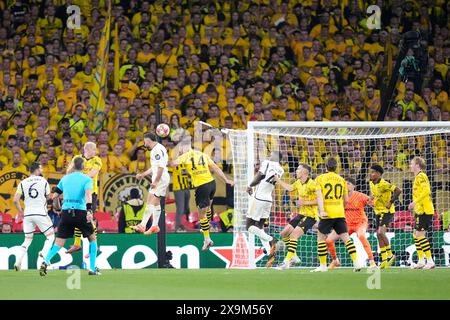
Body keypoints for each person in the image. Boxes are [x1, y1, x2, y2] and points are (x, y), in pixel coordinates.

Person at [170, 136, 234, 250]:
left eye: (180, 148)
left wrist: (165, 159)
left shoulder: (185, 156)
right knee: (207, 208)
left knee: (201, 214)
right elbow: (215, 168)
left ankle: (207, 239)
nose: (179, 150)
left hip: (201, 186)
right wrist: (226, 180)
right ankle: (207, 227)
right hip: (211, 183)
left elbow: (173, 164)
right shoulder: (203, 154)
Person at [40, 157, 99, 276]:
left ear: (73, 166)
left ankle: (46, 261)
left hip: (66, 212)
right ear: (83, 167)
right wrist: (89, 211)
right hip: (81, 212)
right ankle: (92, 268)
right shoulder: (87, 179)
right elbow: (88, 195)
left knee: (59, 242)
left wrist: (57, 208)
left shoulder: (65, 178)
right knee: (92, 238)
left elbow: (54, 196)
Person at [312, 157, 361, 272]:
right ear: (336, 167)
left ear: (326, 167)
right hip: (339, 213)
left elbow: (319, 196)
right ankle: (356, 263)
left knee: (320, 237)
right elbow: (346, 200)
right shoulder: (341, 180)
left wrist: (322, 210)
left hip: (327, 214)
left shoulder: (320, 178)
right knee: (346, 238)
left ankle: (323, 266)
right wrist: (340, 208)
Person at [274, 163, 319, 269]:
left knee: (294, 235)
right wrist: (277, 180)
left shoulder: (313, 184)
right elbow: (290, 188)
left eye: (298, 169)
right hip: (301, 214)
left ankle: (286, 261)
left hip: (311, 216)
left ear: (305, 172)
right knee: (284, 233)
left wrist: (305, 203)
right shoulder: (298, 182)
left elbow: (319, 200)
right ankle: (294, 256)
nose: (296, 171)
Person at [326, 177, 377, 269]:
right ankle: (335, 261)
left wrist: (373, 200)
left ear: (354, 186)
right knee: (329, 240)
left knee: (361, 236)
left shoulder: (360, 196)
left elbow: (372, 202)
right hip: (346, 224)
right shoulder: (339, 197)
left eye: (348, 183)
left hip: (360, 222)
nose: (346, 185)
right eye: (345, 183)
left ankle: (372, 262)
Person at [13, 162, 55, 271]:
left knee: (27, 240)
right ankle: (44, 253)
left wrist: (21, 212)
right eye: (40, 168)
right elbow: (48, 197)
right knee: (51, 236)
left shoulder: (23, 183)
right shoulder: (43, 181)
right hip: (40, 213)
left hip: (28, 214)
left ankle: (18, 262)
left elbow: (15, 200)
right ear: (37, 170)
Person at [246, 151, 283, 268]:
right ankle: (269, 252)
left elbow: (260, 175)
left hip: (259, 198)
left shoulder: (267, 163)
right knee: (260, 227)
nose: (269, 156)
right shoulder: (281, 170)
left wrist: (250, 185)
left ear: (275, 157)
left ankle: (272, 239)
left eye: (271, 154)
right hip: (268, 199)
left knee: (249, 226)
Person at [65, 142, 102, 254]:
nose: (96, 152)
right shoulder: (77, 158)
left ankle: (95, 245)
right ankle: (77, 244)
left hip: (90, 193)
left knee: (89, 217)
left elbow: (93, 173)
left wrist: (78, 177)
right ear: (87, 149)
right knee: (77, 217)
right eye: (94, 149)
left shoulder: (97, 160)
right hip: (77, 193)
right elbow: (68, 172)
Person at [131, 132, 170, 235]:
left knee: (151, 202)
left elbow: (161, 167)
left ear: (148, 140)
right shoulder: (157, 148)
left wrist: (156, 181)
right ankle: (155, 226)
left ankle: (143, 225)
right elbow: (155, 167)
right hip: (159, 178)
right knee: (153, 202)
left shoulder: (156, 150)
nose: (144, 144)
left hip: (161, 179)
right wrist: (143, 174)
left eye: (144, 141)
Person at [369, 164, 402, 269]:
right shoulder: (371, 183)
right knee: (378, 235)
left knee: (381, 232)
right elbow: (374, 195)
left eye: (373, 172)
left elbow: (398, 190)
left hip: (387, 211)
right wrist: (371, 200)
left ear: (379, 174)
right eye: (371, 172)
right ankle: (384, 260)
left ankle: (391, 255)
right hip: (378, 211)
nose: (371, 174)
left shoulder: (384, 184)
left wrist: (391, 202)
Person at [408, 157, 435, 269]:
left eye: (411, 163)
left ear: (417, 165)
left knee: (420, 235)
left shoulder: (421, 176)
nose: (410, 165)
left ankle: (430, 261)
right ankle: (421, 260)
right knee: (415, 234)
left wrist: (415, 202)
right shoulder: (417, 177)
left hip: (425, 210)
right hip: (419, 211)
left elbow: (426, 191)